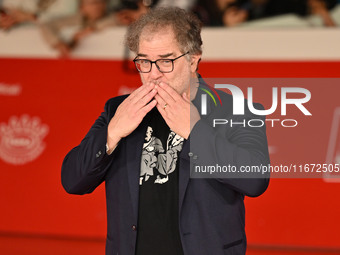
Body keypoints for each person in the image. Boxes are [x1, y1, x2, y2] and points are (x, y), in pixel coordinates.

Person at [61, 7, 270, 255]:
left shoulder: (236, 111)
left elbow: (255, 180)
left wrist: (195, 131)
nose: (153, 74)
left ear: (193, 59)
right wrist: (113, 132)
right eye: (144, 62)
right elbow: (73, 181)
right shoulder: (119, 110)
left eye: (165, 61)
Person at [40, 0, 117, 57]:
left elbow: (116, 20)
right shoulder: (75, 19)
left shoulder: (114, 17)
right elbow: (46, 25)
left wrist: (89, 30)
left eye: (101, 2)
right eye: (93, 3)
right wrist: (58, 43)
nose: (98, 6)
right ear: (82, 7)